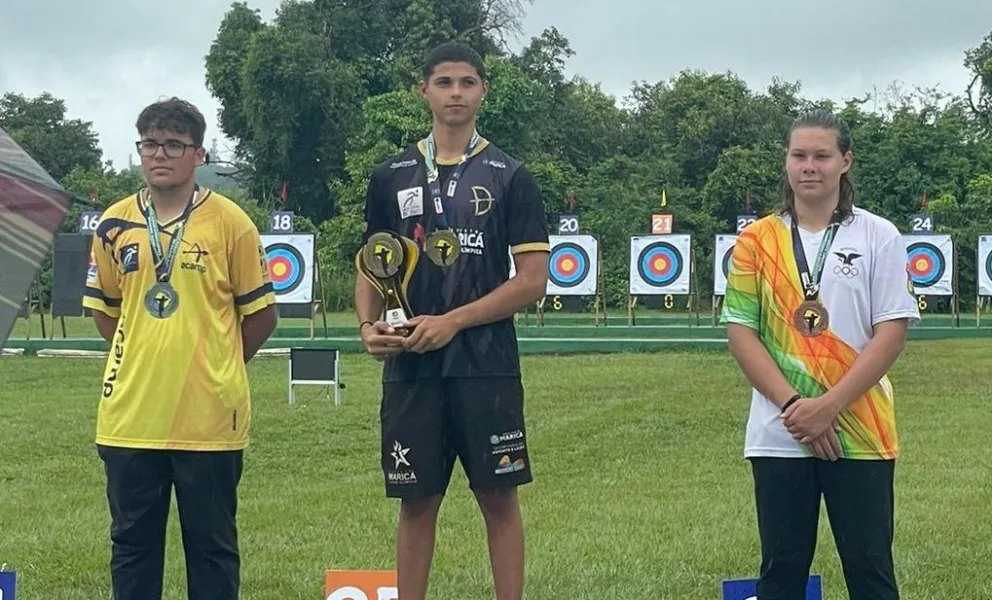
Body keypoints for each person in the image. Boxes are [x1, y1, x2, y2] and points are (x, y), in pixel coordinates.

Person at [354, 42, 549, 600]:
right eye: (444, 82)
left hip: (485, 366)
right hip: (412, 367)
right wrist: (368, 327)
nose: (456, 93)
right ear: (424, 91)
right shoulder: (390, 174)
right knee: (416, 502)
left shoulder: (511, 175)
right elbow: (372, 263)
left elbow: (532, 281)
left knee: (498, 498)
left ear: (484, 90)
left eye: (467, 82)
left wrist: (454, 322)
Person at [82, 97, 278, 600]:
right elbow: (105, 312)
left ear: (199, 154)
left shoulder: (231, 222)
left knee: (211, 549)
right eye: (150, 143)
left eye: (173, 144)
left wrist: (218, 364)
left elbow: (262, 316)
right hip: (131, 416)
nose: (160, 154)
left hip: (209, 418)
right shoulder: (113, 224)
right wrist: (144, 354)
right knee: (131, 547)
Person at [721, 109, 920, 600]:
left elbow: (891, 331)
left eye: (822, 155)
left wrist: (827, 407)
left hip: (861, 428)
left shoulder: (879, 235)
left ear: (845, 161)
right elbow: (741, 333)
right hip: (778, 432)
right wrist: (794, 408)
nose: (809, 166)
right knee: (781, 572)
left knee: (870, 572)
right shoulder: (755, 240)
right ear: (786, 163)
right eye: (799, 155)